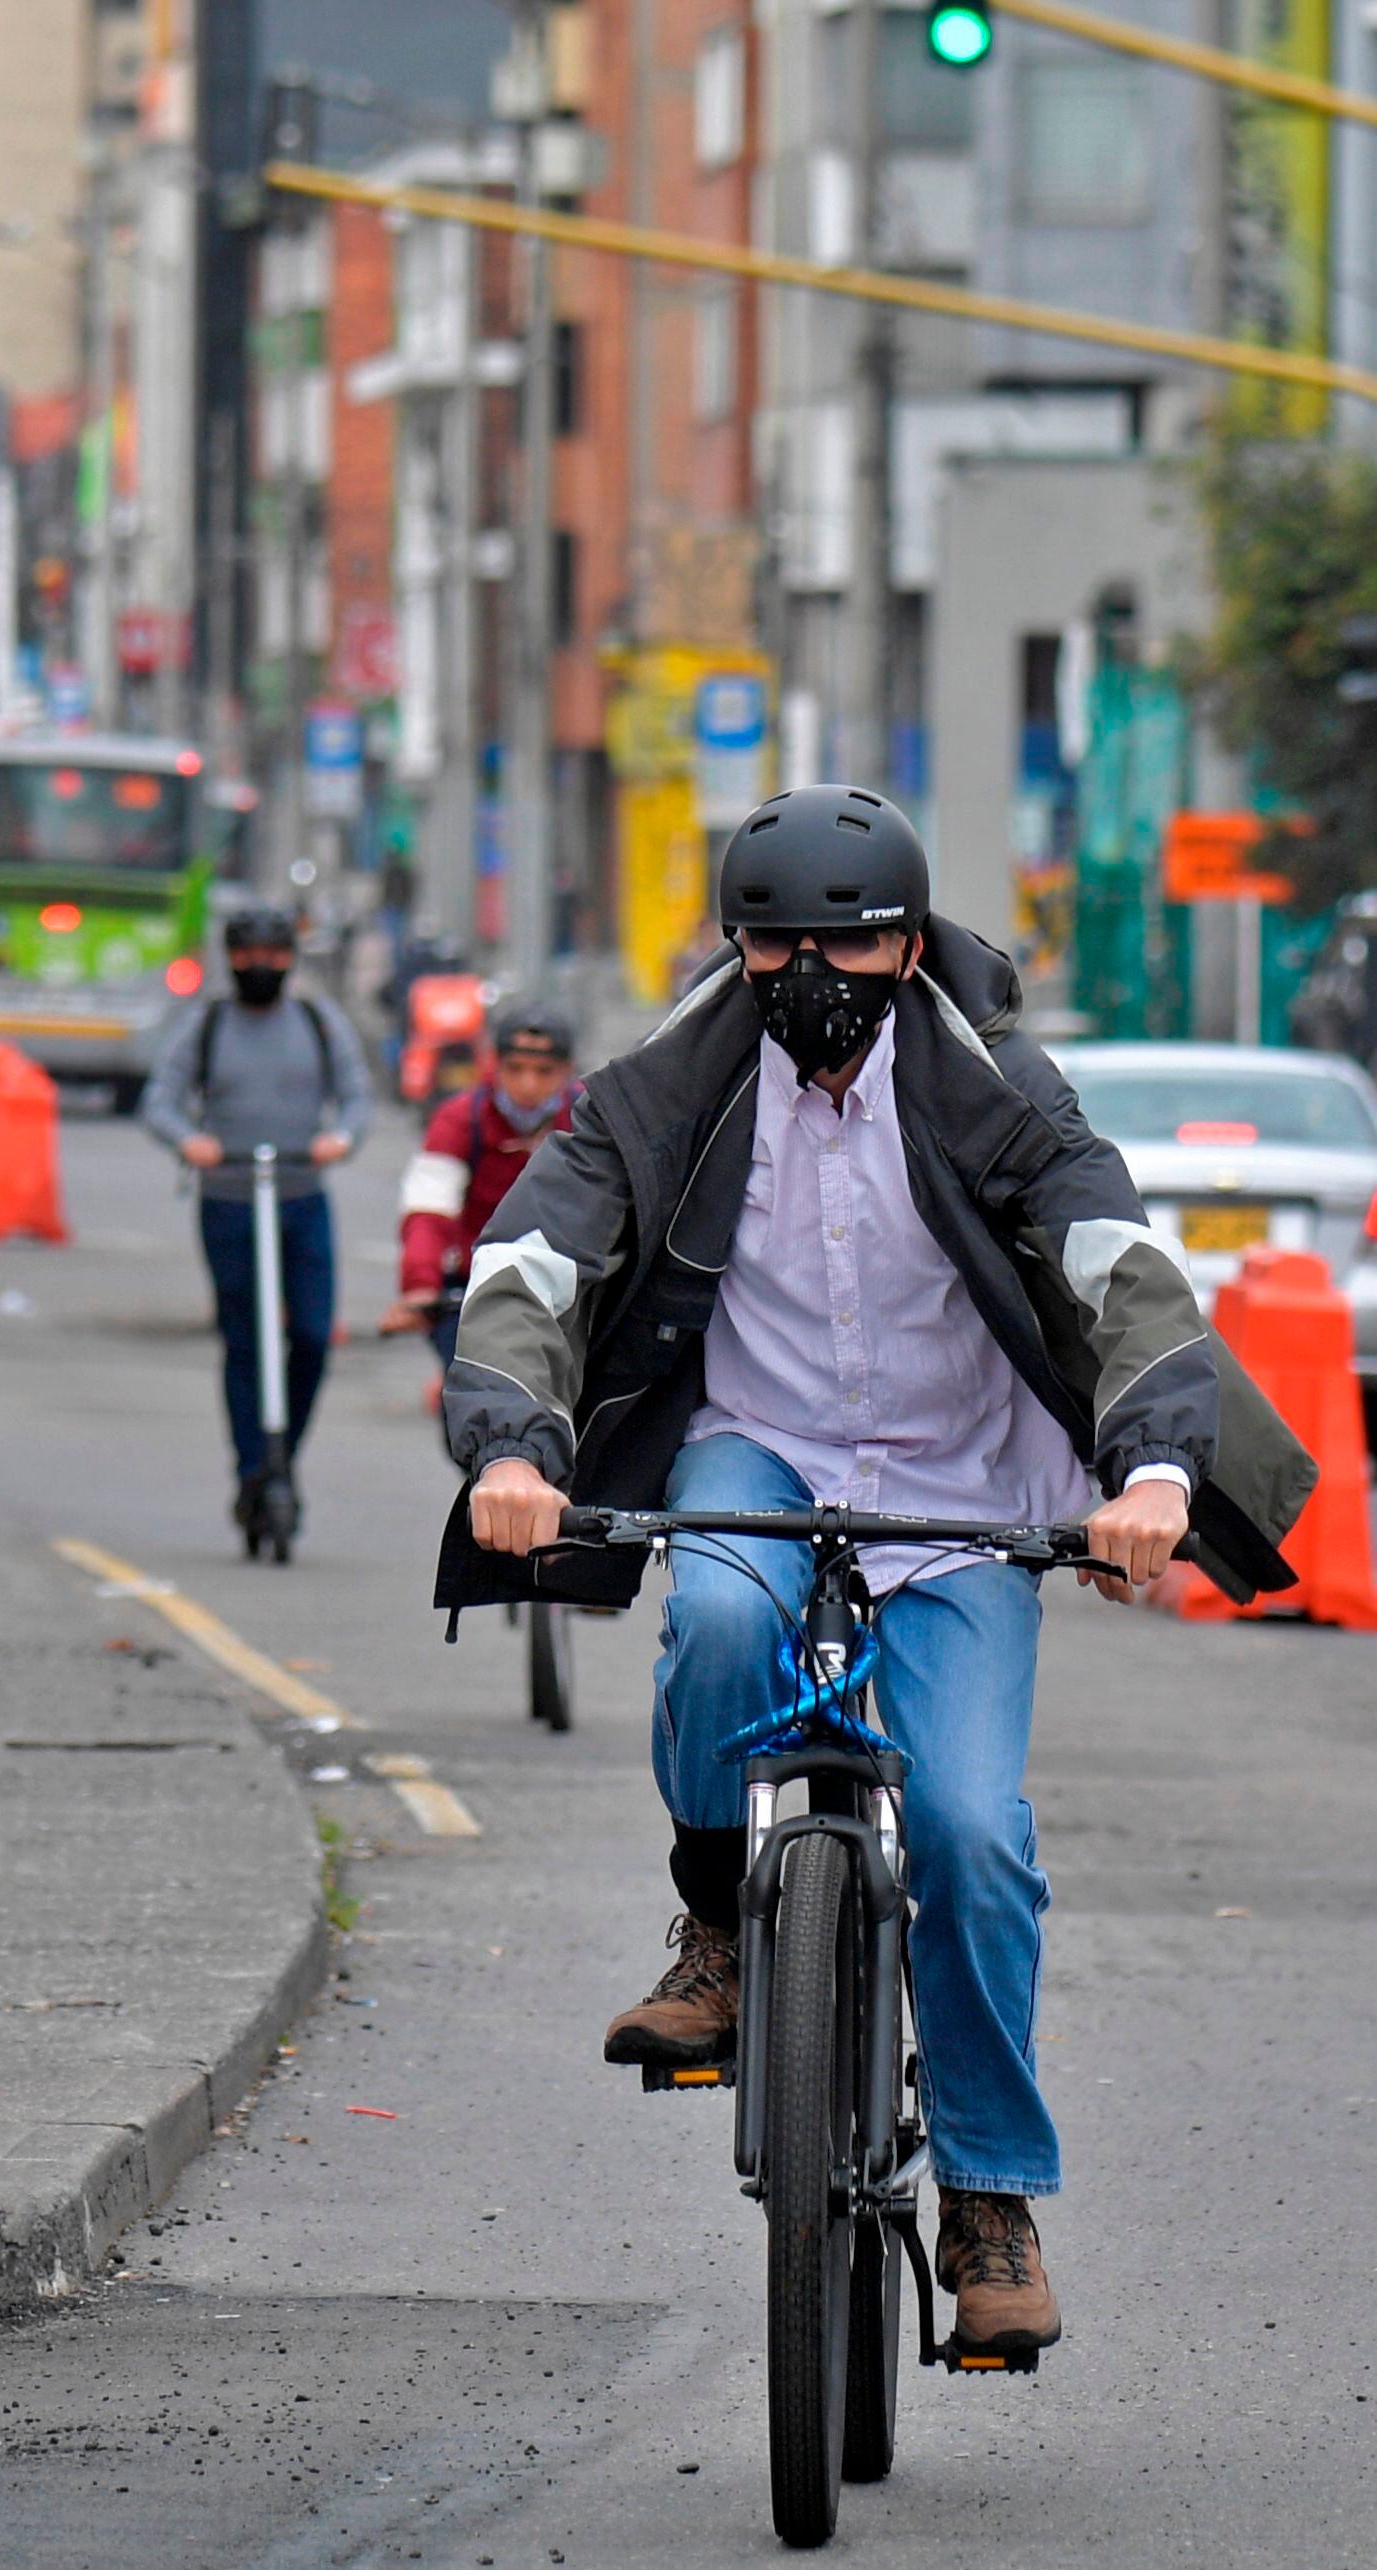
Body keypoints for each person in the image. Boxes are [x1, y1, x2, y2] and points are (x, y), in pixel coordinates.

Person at [445, 786, 1313, 2364]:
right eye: (773, 940)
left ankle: (987, 2198)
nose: (812, 971)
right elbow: (533, 1261)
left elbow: (1117, 1268)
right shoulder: (665, 1086)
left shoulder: (997, 1091)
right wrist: (513, 1447)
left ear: (909, 942)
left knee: (975, 1834)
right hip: (757, 1454)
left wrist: (1157, 1477)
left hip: (960, 1495)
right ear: (735, 945)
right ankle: (717, 1927)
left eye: (847, 937)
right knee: (713, 1617)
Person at [138, 902, 373, 1521]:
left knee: (312, 1337)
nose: (260, 966)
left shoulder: (319, 1023)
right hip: (229, 1202)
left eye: (273, 955)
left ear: (291, 959)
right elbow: (160, 1099)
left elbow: (356, 1098)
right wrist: (190, 1141)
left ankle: (281, 1457)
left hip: (301, 1196)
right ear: (230, 958)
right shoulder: (208, 1024)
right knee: (244, 1341)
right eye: (247, 955)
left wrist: (340, 1139)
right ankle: (251, 1469)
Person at [379, 1000, 578, 1379]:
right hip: (474, 1285)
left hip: (565, 1285)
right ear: (494, 1065)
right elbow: (429, 1209)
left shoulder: (590, 1119)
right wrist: (420, 1285)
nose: (528, 1085)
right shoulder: (459, 1119)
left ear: (566, 1071)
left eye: (544, 1071)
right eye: (515, 1069)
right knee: (473, 1396)